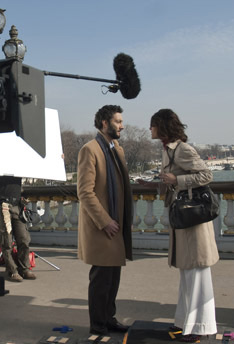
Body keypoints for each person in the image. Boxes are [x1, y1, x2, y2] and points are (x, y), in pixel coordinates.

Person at [148, 109, 218, 343]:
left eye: (153, 125)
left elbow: (206, 175)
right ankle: (186, 322)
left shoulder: (182, 149)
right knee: (188, 273)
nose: (150, 129)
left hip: (192, 221)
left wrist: (177, 180)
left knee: (196, 272)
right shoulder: (169, 150)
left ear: (162, 126)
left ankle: (199, 327)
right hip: (184, 220)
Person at [76, 105, 133, 337]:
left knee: (112, 278)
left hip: (115, 225)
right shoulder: (90, 150)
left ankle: (108, 319)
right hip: (103, 227)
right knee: (101, 280)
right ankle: (98, 325)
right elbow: (85, 192)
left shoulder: (115, 148)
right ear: (104, 124)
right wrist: (105, 221)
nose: (122, 125)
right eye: (118, 121)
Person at [0, 175, 36, 282]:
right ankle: (12, 271)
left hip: (17, 205)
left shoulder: (18, 162)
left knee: (24, 239)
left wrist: (57, 158)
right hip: (3, 205)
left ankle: (24, 268)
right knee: (6, 241)